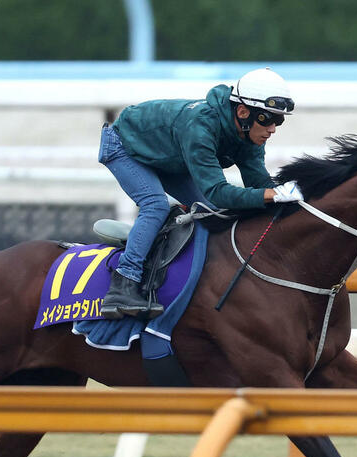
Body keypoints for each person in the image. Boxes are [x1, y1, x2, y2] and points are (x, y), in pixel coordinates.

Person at [98, 67, 303, 320]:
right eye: (267, 119)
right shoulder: (200, 127)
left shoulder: (249, 135)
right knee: (155, 205)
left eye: (278, 120)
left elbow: (257, 185)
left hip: (168, 156)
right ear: (242, 112)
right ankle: (123, 283)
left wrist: (289, 196)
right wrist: (271, 195)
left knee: (211, 212)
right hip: (124, 145)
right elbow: (219, 192)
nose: (272, 128)